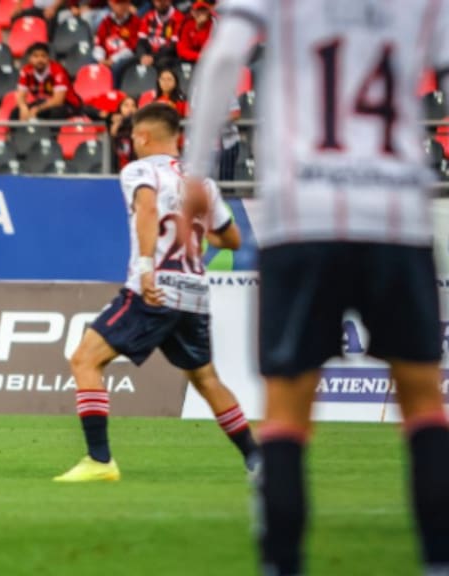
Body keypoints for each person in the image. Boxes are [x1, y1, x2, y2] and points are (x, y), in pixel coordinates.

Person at [184, 1, 449, 575]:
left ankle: (282, 563)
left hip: (300, 213)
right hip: (396, 211)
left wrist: (193, 175)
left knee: (285, 409)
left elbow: (225, 54)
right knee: (425, 401)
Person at [54, 103, 260, 482]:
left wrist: (147, 267)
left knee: (85, 359)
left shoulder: (139, 171)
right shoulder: (203, 183)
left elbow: (147, 208)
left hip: (154, 289)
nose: (132, 143)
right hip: (194, 292)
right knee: (207, 379)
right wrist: (201, 228)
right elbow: (231, 238)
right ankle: (257, 460)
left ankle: (99, 461)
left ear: (144, 136)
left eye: (133, 136)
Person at [10, 42, 83, 121]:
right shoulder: (26, 70)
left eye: (43, 56)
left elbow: (58, 100)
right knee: (15, 113)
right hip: (44, 103)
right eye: (36, 56)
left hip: (68, 104)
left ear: (48, 58)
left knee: (54, 114)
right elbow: (20, 95)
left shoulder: (58, 70)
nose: (40, 60)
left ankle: (52, 133)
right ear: (29, 58)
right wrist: (23, 107)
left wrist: (38, 109)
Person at [92, 0, 141, 85]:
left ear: (128, 4)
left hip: (125, 57)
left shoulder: (135, 22)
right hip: (105, 57)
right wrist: (101, 59)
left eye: (123, 3)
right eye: (117, 3)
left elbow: (132, 47)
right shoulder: (106, 21)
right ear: (111, 4)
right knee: (91, 61)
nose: (120, 6)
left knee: (117, 67)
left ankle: (114, 93)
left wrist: (113, 60)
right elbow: (99, 43)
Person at [136, 0, 185, 70]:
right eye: (158, 1)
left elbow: (173, 46)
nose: (161, 4)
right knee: (130, 63)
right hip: (148, 54)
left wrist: (153, 57)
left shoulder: (179, 18)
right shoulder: (148, 16)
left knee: (162, 63)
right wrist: (142, 56)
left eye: (163, 1)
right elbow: (141, 41)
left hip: (168, 56)